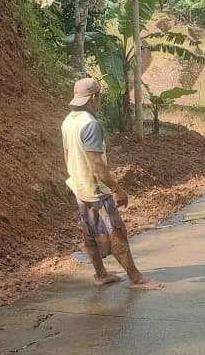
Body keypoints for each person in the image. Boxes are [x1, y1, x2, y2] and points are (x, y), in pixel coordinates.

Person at [61, 78, 163, 290]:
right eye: (99, 96)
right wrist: (117, 189)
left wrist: (77, 179)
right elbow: (97, 164)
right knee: (116, 231)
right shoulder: (90, 125)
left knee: (90, 232)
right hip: (96, 189)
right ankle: (136, 278)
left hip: (80, 187)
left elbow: (66, 154)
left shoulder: (68, 121)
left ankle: (101, 274)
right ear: (94, 98)